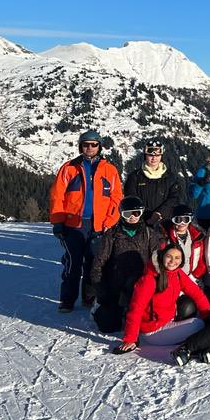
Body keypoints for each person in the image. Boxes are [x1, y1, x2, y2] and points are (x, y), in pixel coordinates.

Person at [50, 129, 123, 312]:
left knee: (93, 262)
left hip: (99, 225)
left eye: (93, 144)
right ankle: (67, 300)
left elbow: (116, 198)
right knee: (73, 263)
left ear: (99, 147)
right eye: (85, 144)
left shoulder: (109, 169)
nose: (89, 148)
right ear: (80, 146)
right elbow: (57, 196)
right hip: (73, 224)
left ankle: (89, 297)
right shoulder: (69, 168)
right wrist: (58, 221)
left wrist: (109, 222)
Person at [112, 244, 210, 353]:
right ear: (162, 256)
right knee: (198, 324)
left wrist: (207, 316)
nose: (173, 261)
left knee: (190, 306)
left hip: (169, 319)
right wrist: (130, 339)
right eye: (169, 256)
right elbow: (136, 309)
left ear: (181, 260)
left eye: (177, 258)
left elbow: (197, 294)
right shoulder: (149, 279)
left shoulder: (177, 273)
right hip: (153, 331)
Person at [89, 195, 162, 333]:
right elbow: (98, 263)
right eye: (128, 214)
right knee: (108, 325)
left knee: (143, 323)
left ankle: (129, 309)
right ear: (121, 214)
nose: (132, 217)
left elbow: (157, 260)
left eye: (136, 213)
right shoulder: (112, 235)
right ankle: (101, 308)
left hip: (139, 284)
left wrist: (157, 282)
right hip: (115, 284)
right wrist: (101, 289)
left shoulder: (149, 234)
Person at [123, 137, 182, 227]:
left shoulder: (170, 177)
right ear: (145, 155)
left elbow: (175, 198)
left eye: (157, 155)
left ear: (161, 156)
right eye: (150, 155)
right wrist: (147, 215)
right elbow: (131, 199)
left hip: (165, 223)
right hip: (141, 222)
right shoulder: (135, 177)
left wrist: (159, 213)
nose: (154, 158)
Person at [162, 205, 207, 285]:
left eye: (186, 219)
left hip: (191, 279)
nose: (182, 223)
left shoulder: (197, 238)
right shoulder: (166, 237)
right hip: (172, 280)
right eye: (178, 220)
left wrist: (194, 277)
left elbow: (201, 261)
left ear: (190, 220)